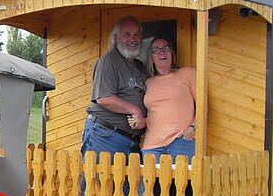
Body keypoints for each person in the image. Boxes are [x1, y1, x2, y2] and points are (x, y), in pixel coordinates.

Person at [81, 16, 148, 160]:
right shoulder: (109, 60)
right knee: (96, 182)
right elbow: (104, 98)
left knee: (127, 183)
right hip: (105, 135)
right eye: (127, 35)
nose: (133, 39)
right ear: (116, 38)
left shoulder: (140, 67)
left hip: (131, 140)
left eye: (137, 34)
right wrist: (135, 110)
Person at [139, 37, 197, 162]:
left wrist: (193, 128)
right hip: (152, 146)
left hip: (181, 141)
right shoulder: (148, 83)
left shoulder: (187, 74)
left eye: (166, 48)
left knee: (182, 182)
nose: (162, 52)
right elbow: (153, 113)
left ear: (171, 53)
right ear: (151, 58)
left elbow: (204, 106)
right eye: (156, 50)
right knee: (150, 182)